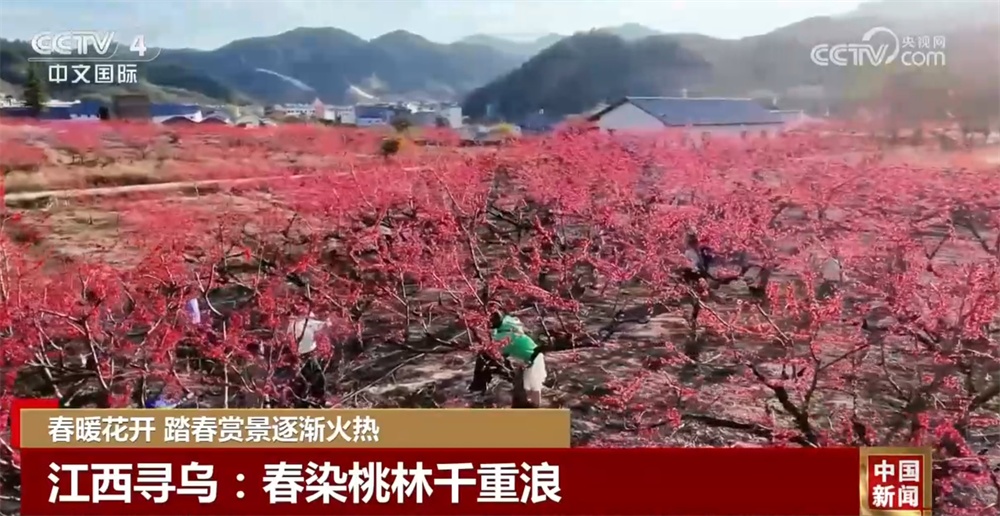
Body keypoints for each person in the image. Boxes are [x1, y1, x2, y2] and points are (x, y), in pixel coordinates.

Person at [471, 313, 547, 408]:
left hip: (533, 359)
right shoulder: (511, 328)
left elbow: (493, 348)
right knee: (530, 386)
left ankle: (536, 409)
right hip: (532, 358)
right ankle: (533, 407)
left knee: (533, 386)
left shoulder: (503, 335)